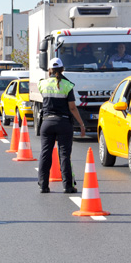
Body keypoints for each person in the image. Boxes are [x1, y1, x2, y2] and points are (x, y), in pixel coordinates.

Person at [37, 58, 86, 194]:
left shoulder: (43, 84)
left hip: (47, 123)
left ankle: (43, 185)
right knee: (64, 155)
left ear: (50, 70)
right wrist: (81, 124)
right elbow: (72, 108)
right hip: (63, 123)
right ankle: (68, 186)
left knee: (45, 153)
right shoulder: (67, 85)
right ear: (63, 69)